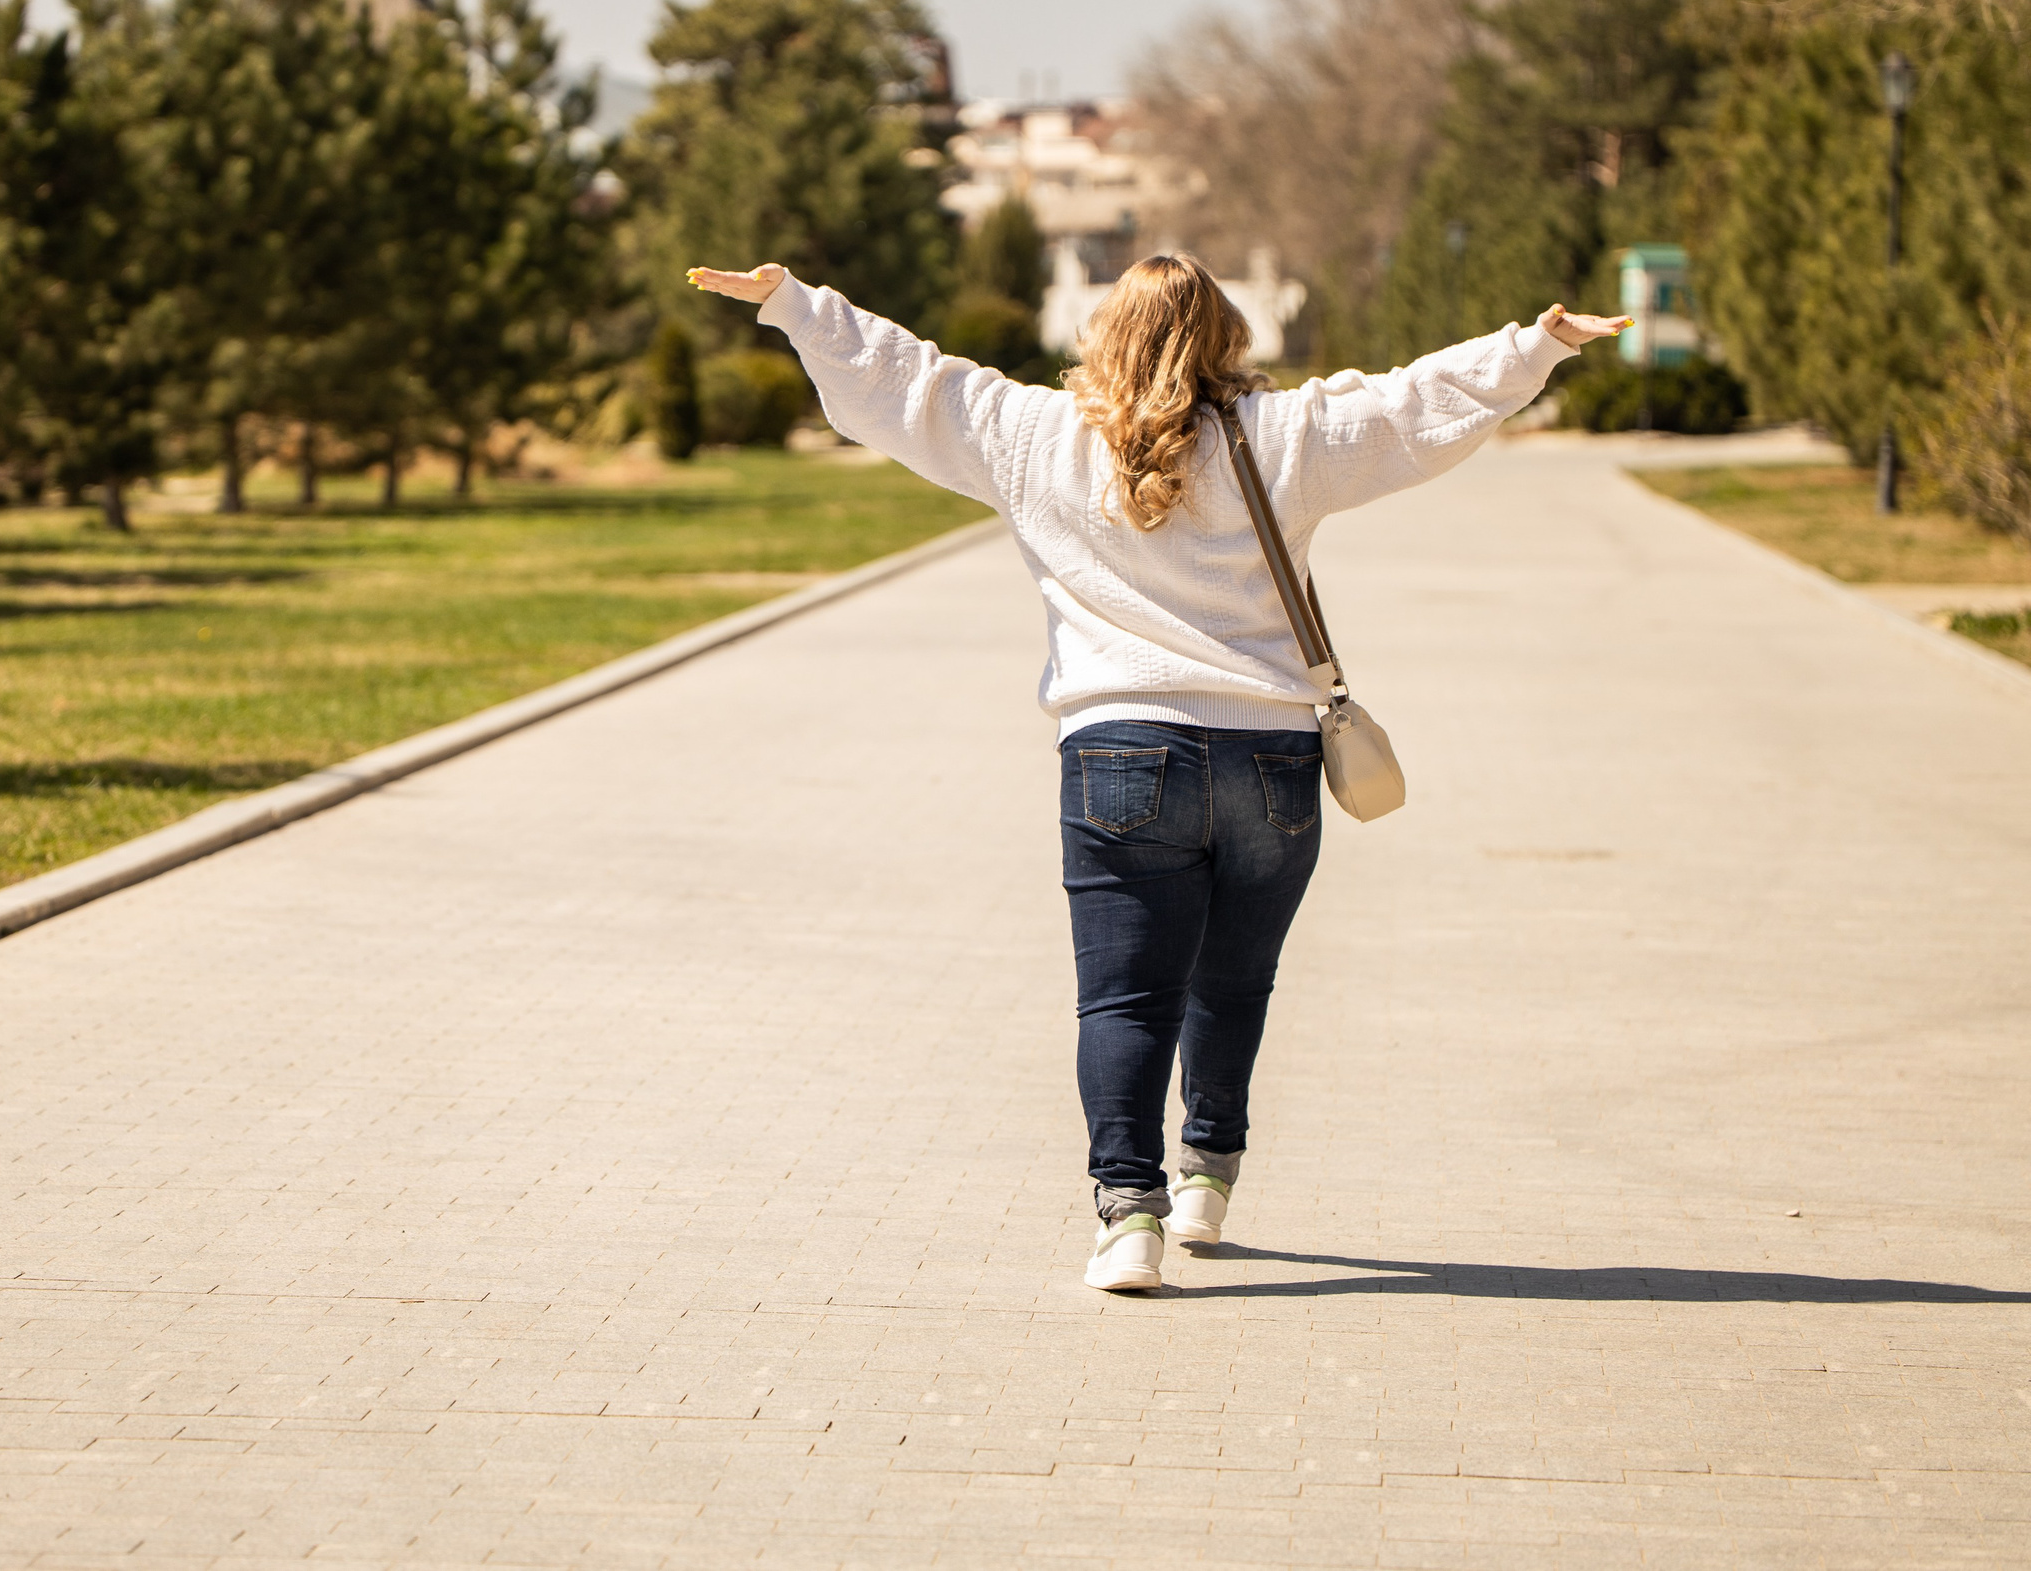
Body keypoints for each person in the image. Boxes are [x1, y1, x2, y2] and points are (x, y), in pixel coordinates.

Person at [689, 254, 1628, 1292]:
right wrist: (1538, 342)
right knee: (1235, 984)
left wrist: (793, 303)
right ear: (1226, 337)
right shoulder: (1281, 435)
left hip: (1118, 755)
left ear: (1104, 336)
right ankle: (1205, 1186)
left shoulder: (1031, 433)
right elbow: (1410, 407)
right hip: (1270, 759)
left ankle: (1125, 1219)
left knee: (1124, 1001)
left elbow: (909, 380)